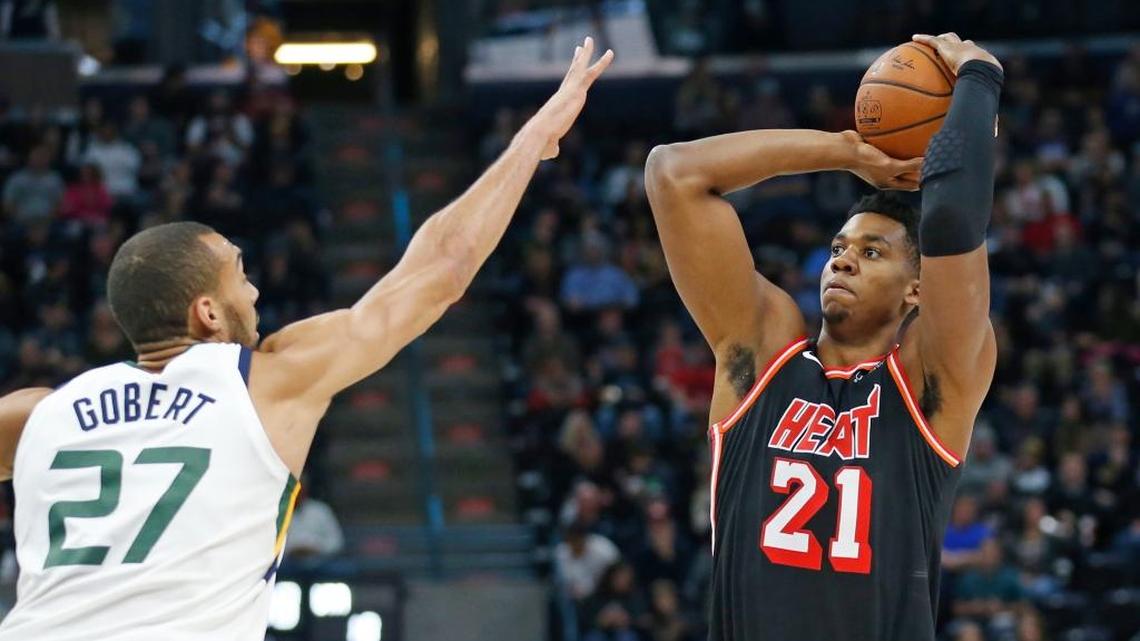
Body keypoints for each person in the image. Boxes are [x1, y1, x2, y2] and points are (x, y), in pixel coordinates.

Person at [0, 37, 612, 640]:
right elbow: (441, 271)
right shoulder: (263, 383)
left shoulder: (40, 414)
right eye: (239, 274)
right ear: (207, 312)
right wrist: (531, 141)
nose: (254, 292)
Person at [644, 33, 1001, 641]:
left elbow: (951, 218)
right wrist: (844, 150)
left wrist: (979, 79)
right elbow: (673, 172)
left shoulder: (928, 382)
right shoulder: (764, 356)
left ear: (917, 289)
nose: (842, 261)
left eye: (871, 252)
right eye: (839, 247)